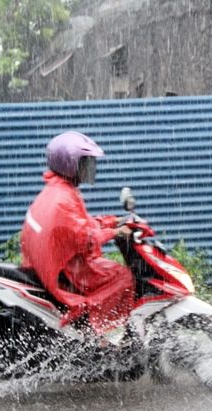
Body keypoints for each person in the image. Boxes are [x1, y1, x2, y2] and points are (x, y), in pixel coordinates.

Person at [20, 131, 134, 333]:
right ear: (70, 164)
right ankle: (93, 328)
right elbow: (86, 239)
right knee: (124, 278)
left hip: (56, 262)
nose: (91, 169)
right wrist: (115, 233)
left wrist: (111, 221)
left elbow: (82, 225)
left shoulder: (59, 189)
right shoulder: (63, 198)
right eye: (86, 163)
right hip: (68, 268)